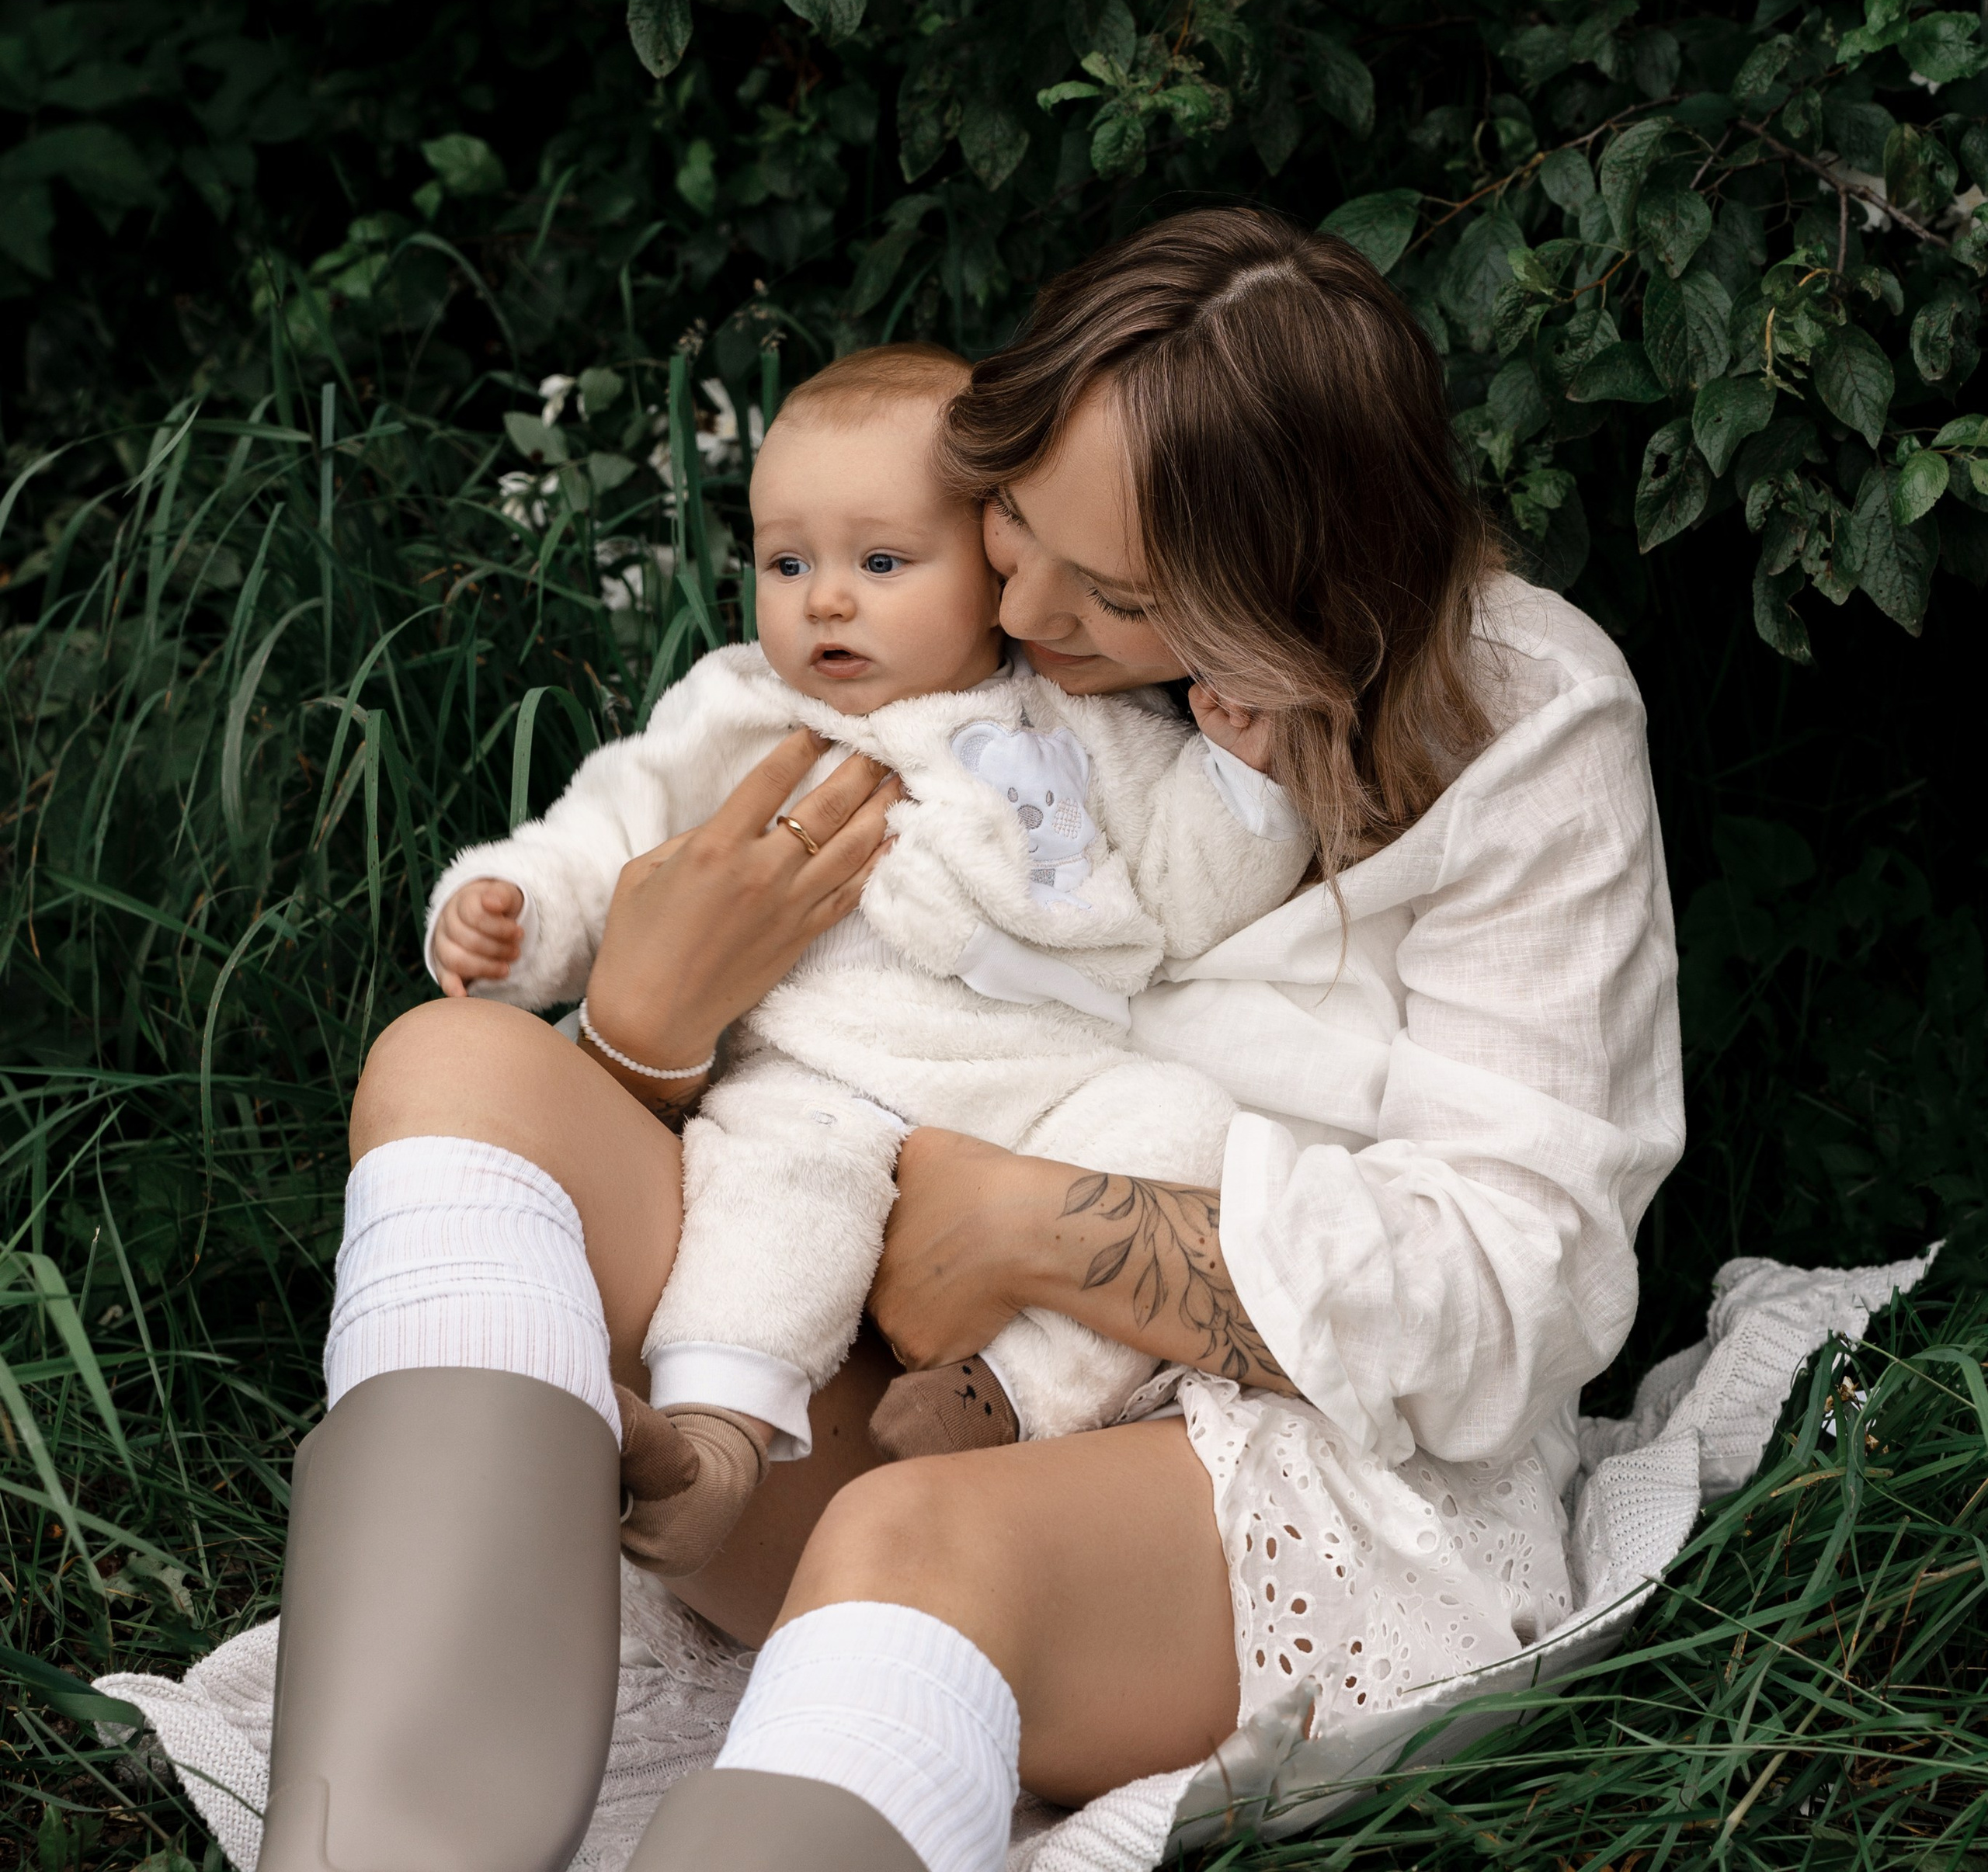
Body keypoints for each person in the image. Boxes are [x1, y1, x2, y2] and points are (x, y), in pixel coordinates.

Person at [258, 207, 1682, 1872]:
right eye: (1010, 523)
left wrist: (1026, 1228)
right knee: (452, 1070)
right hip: (845, 1324)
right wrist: (644, 1033)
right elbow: (826, 1041)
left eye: (1118, 594)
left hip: (1249, 1452)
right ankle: (373, 1850)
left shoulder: (1521, 721)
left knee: (910, 1537)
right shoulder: (931, 649)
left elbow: (1522, 1292)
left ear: (1296, 598)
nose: (1023, 602)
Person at [419, 341, 1311, 1578]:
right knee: (769, 1189)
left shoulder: (1082, 726)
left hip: (1044, 1083)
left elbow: (1191, 888)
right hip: (822, 1072)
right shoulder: (738, 711)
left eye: (882, 563)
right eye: (788, 564)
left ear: (993, 573)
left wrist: (1245, 773)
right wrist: (515, 907)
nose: (826, 601)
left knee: (1181, 1125)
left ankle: (1013, 1392)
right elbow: (614, 831)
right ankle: (714, 1441)